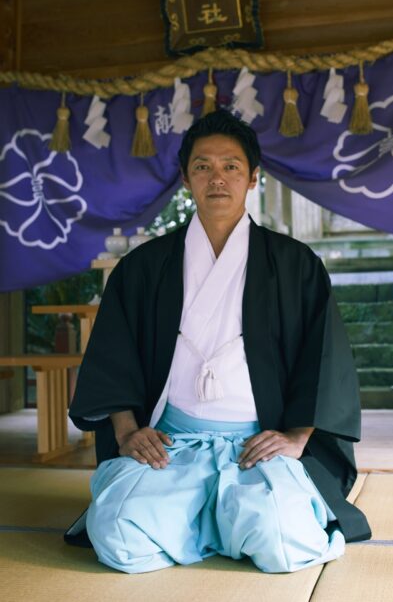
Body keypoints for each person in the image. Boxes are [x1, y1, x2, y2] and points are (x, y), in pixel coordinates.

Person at [68, 109, 371, 573]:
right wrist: (128, 431)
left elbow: (324, 356)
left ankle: (208, 519)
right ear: (186, 179)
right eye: (203, 166)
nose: (217, 178)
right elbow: (114, 353)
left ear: (252, 177)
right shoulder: (144, 267)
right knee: (118, 538)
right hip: (172, 443)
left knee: (284, 542)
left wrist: (296, 436)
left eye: (231, 166)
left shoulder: (295, 264)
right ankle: (214, 519)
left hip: (258, 446)